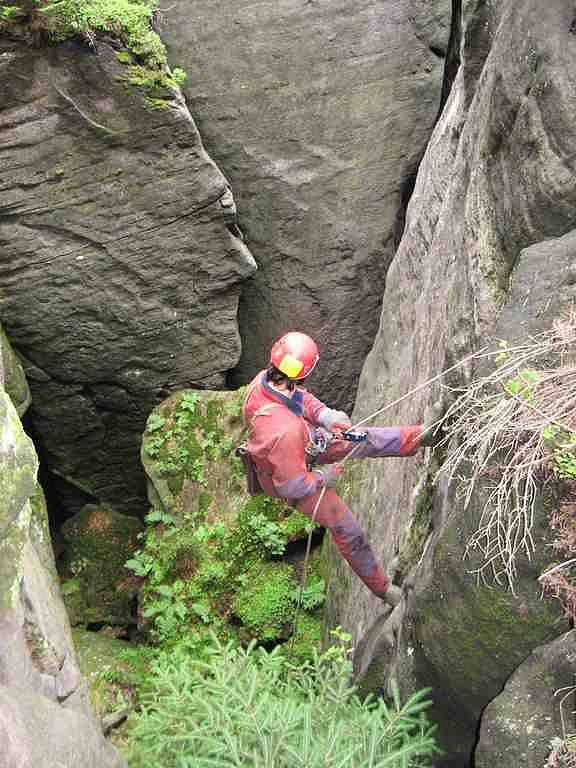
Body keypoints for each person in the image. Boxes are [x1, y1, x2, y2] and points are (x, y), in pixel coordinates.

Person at [243, 331, 439, 607]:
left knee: (362, 438)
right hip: (294, 474)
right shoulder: (282, 431)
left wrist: (327, 416)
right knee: (348, 530)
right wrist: (325, 478)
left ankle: (420, 436)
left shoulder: (266, 382)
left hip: (304, 444)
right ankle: (383, 590)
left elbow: (300, 398)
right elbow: (293, 486)